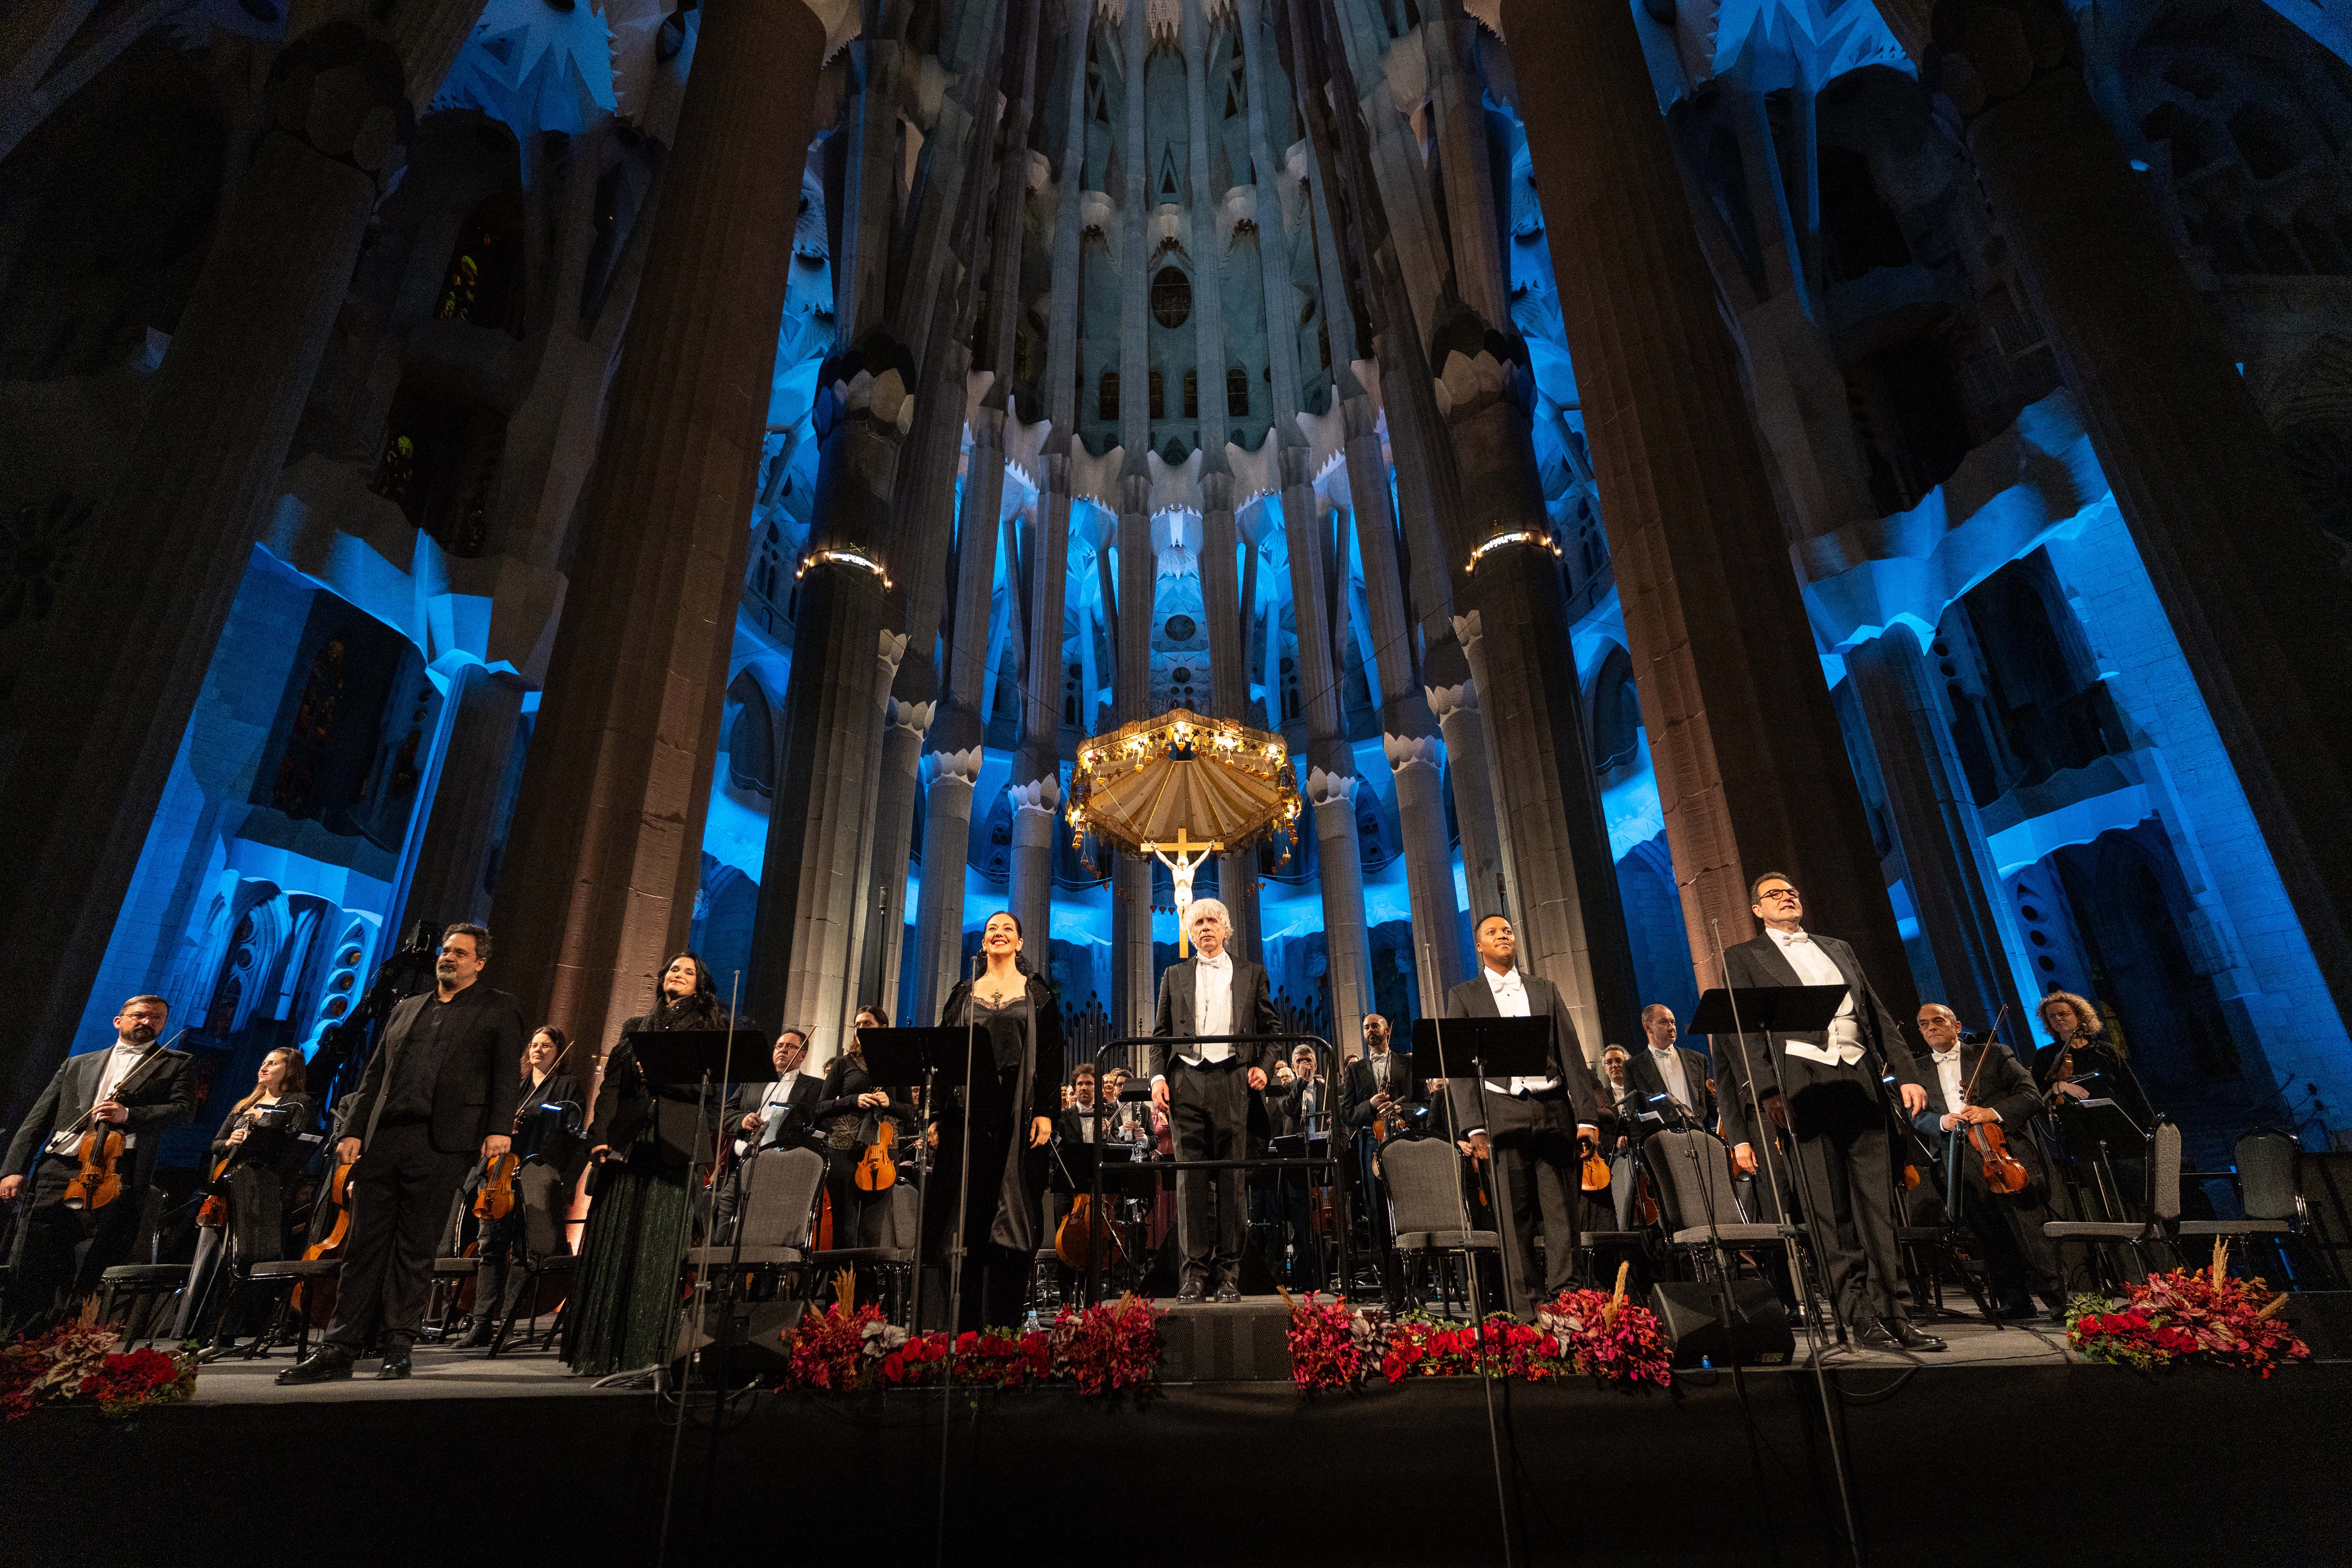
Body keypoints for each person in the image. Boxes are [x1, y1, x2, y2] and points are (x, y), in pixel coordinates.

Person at [279, 925, 523, 1383]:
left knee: (414, 1249)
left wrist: (497, 1129)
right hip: (385, 1139)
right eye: (446, 951)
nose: (448, 958)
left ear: (480, 963)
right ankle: (339, 1348)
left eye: (459, 953)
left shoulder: (497, 1009)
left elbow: (504, 1076)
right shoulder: (407, 1009)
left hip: (443, 1143)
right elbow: (375, 1076)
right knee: (363, 1246)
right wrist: (353, 1129)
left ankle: (398, 1344)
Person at [1716, 874, 1942, 1353]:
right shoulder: (1742, 957)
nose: (1787, 897)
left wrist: (1908, 1073)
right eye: (1774, 894)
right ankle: (1858, 1314)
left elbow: (1876, 1013)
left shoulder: (1837, 947)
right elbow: (1743, 1034)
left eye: (1792, 891)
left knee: (1879, 1206)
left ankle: (1896, 1311)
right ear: (1757, 910)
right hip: (1803, 1088)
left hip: (1859, 1082)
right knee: (1830, 1210)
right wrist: (1769, 1091)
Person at [561, 950, 735, 1379]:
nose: (677, 974)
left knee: (656, 1245)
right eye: (674, 969)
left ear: (700, 984)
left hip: (674, 1142)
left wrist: (660, 1072)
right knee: (614, 1238)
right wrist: (598, 1137)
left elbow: (708, 1094)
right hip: (628, 1138)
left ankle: (645, 1348)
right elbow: (612, 1087)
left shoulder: (711, 1028)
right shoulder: (636, 1027)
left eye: (688, 971)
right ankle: (600, 1349)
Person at [1444, 914, 1610, 1319]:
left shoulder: (1545, 989)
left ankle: (1568, 1305)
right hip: (1501, 1115)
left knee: (1562, 1218)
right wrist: (1475, 1127)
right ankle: (1529, 1315)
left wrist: (1586, 1117)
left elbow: (1571, 1054)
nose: (1503, 935)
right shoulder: (1464, 995)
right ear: (1479, 946)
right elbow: (1462, 1070)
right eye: (1492, 932)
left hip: (1552, 1112)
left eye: (1508, 930)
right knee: (1513, 1221)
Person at [1, 995, 197, 1336]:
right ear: (118, 1021)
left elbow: (184, 1111)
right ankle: (17, 1341)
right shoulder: (78, 1063)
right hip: (58, 1169)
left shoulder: (176, 1062)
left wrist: (130, 1115)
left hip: (116, 1172)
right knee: (33, 1256)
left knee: (88, 1265)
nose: (147, 1022)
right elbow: (38, 1118)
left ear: (164, 1025)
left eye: (157, 1018)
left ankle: (66, 1343)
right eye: (139, 1015)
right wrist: (14, 1168)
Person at [933, 912, 1063, 1330]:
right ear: (984, 943)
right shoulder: (964, 992)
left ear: (1020, 943)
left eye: (1008, 929)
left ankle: (1004, 1326)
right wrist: (936, 1114)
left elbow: (1050, 1059)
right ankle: (963, 1329)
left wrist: (1045, 1111)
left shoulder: (1038, 993)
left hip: (1017, 1112)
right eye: (992, 929)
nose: (1000, 933)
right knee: (965, 1216)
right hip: (967, 1114)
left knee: (1011, 1215)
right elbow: (944, 1052)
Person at [1150, 897, 1282, 1303]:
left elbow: (1272, 1028)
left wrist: (1263, 1065)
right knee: (1189, 1179)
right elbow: (1160, 1035)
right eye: (1199, 922)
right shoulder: (1173, 974)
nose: (1206, 927)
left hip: (1232, 1080)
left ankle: (1229, 1276)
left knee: (1231, 1179)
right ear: (1191, 933)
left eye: (1213, 921)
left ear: (1226, 929)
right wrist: (1158, 1078)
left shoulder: (1252, 972)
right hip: (1185, 1080)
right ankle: (1193, 1276)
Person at [1909, 1003, 2070, 1321]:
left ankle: (2060, 1301)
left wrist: (1990, 1114)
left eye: (1938, 1021)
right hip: (1957, 1158)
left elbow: (2030, 1096)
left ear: (1956, 1026)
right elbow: (1916, 1117)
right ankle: (2015, 1300)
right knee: (1989, 1232)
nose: (1931, 1028)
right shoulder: (1916, 1071)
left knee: (2029, 1228)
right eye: (1923, 1024)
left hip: (2003, 1152)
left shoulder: (1994, 1054)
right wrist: (1942, 1121)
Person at [179, 1047, 316, 1351]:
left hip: (264, 1192)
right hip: (228, 1187)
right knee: (213, 1258)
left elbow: (295, 1149)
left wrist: (260, 1135)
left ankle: (228, 1331)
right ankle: (196, 1331)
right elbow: (216, 1143)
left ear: (290, 1070)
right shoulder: (245, 1104)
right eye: (263, 1062)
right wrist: (232, 1141)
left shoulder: (299, 1103)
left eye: (273, 1063)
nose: (264, 1067)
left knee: (246, 1259)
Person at [461, 1026, 586, 1347]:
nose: (539, 1050)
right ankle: (482, 1323)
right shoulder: (514, 1088)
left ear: (559, 1052)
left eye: (546, 1046)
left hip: (535, 1175)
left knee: (523, 1252)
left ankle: (508, 1323)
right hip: (501, 1177)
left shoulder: (566, 1086)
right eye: (534, 1045)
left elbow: (570, 1128)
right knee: (491, 1249)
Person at [816, 1006, 917, 1250]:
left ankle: (867, 1290)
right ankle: (841, 1289)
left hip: (883, 1150)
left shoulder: (897, 1064)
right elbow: (820, 1107)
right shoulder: (843, 1064)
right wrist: (854, 1100)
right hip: (844, 1149)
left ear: (883, 1029)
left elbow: (910, 1113)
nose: (860, 1029)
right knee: (845, 1229)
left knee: (871, 1231)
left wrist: (889, 1103)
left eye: (867, 1024)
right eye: (857, 1024)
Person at [1624, 1005, 1716, 1131]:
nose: (1671, 1027)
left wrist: (1720, 1109)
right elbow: (1635, 1111)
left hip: (1701, 1133)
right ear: (1648, 1027)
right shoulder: (1633, 1067)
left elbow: (1708, 1100)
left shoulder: (1698, 1059)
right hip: (1664, 1139)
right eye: (1663, 1022)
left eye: (1673, 1022)